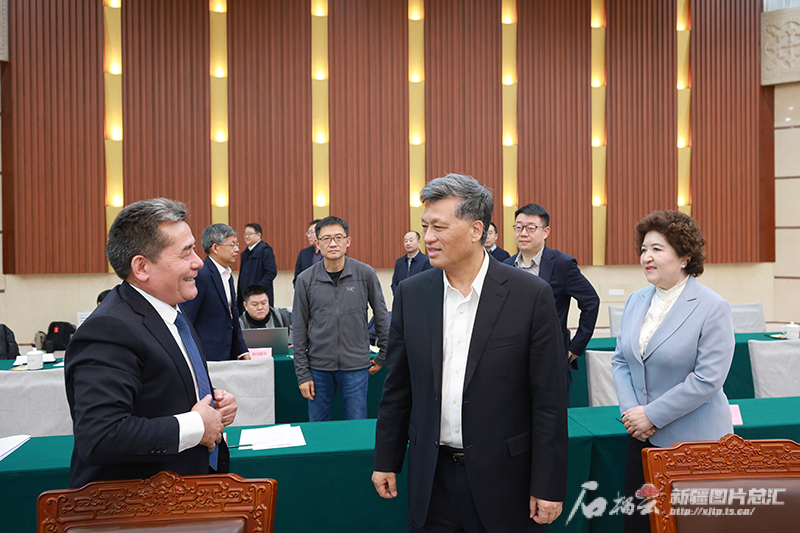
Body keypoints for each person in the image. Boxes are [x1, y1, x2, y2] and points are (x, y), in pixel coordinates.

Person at [373, 174, 568, 532]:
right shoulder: (411, 295)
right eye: (425, 226)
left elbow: (549, 401)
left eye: (439, 227)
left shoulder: (530, 296)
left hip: (505, 482)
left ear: (476, 229)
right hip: (431, 480)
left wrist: (548, 485)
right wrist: (386, 459)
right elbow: (398, 388)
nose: (428, 238)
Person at [65, 198, 237, 488]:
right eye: (186, 252)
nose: (198, 262)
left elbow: (162, 393)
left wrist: (213, 407)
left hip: (185, 493)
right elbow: (101, 436)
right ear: (142, 267)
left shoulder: (173, 310)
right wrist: (197, 425)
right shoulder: (108, 329)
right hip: (138, 505)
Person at [611, 210, 734, 533]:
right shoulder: (636, 300)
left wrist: (651, 415)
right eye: (643, 249)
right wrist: (632, 414)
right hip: (641, 439)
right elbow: (621, 361)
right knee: (639, 524)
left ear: (684, 257)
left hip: (693, 444)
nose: (646, 257)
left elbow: (708, 379)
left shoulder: (712, 306)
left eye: (657, 249)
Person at [293, 216, 389, 422]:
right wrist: (303, 374)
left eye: (338, 237)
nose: (333, 243)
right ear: (317, 243)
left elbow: (382, 316)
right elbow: (299, 328)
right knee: (318, 426)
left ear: (348, 241)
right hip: (318, 368)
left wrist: (384, 354)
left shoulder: (365, 273)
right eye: (326, 239)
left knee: (357, 424)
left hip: (356, 367)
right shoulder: (305, 279)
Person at [504, 203, 599, 390]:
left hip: (551, 359)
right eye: (518, 227)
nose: (523, 233)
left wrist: (575, 347)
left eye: (531, 228)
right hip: (513, 360)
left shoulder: (562, 264)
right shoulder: (505, 266)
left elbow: (591, 301)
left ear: (545, 231)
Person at [182, 224, 249, 361]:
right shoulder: (201, 276)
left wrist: (242, 350)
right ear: (215, 248)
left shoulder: (227, 275)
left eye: (237, 244)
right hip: (207, 357)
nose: (237, 249)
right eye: (232, 245)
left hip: (229, 357)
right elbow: (188, 320)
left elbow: (232, 317)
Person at [236, 223, 277, 312]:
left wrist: (257, 290)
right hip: (245, 295)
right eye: (245, 234)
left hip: (258, 297)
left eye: (249, 234)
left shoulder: (265, 251)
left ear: (258, 235)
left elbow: (271, 272)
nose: (246, 236)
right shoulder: (245, 253)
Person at [293, 219, 322, 287]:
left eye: (311, 232)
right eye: (308, 233)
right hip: (306, 291)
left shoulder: (332, 252)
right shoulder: (304, 253)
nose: (308, 236)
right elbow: (297, 278)